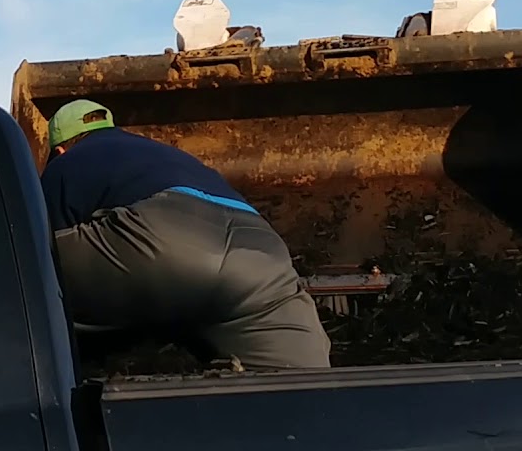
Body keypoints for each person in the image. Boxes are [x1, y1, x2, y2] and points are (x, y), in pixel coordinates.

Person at [40, 98, 331, 371]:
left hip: (161, 239)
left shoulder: (67, 163)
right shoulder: (165, 153)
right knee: (299, 384)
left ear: (60, 149)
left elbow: (40, 246)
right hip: (259, 249)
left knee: (24, 269)